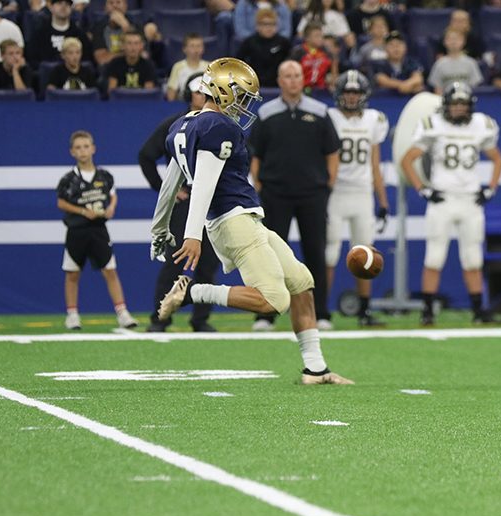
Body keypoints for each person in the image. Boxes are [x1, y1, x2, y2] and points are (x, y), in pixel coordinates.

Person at [151, 58, 352, 384]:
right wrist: (192, 235)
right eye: (241, 95)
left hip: (243, 218)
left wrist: (159, 227)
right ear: (221, 90)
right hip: (232, 221)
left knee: (301, 281)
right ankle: (193, 294)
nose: (243, 104)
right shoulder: (219, 127)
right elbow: (201, 183)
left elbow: (171, 182)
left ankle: (315, 368)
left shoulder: (183, 125)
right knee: (274, 300)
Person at [400, 82, 501, 326]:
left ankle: (479, 311)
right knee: (434, 257)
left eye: (462, 104)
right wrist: (423, 189)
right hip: (443, 199)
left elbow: (497, 158)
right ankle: (427, 311)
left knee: (473, 258)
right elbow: (408, 160)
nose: (458, 109)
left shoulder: (481, 125)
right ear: (446, 105)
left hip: (470, 200)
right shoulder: (434, 125)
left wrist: (491, 188)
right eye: (454, 104)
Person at [248, 60, 341, 330]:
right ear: (279, 80)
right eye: (287, 76)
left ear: (304, 79)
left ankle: (320, 313)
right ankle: (265, 315)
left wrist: (328, 185)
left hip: (313, 194)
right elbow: (256, 155)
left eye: (297, 76)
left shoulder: (321, 112)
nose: (292, 80)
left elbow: (332, 152)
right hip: (275, 194)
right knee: (271, 256)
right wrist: (259, 186)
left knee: (316, 253)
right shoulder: (266, 114)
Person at [140, 76, 219, 332]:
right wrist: (169, 190)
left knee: (208, 260)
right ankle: (160, 317)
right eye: (199, 93)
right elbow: (146, 155)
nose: (203, 98)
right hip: (185, 202)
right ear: (189, 96)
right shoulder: (175, 125)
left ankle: (201, 318)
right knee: (175, 259)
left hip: (211, 200)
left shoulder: (219, 124)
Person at [325, 71, 389, 327]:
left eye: (356, 93)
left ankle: (365, 311)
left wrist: (382, 200)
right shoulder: (330, 118)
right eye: (348, 92)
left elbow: (375, 165)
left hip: (362, 193)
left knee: (366, 254)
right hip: (336, 193)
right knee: (328, 253)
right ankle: (321, 310)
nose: (351, 97)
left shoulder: (374, 120)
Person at [58, 130, 138, 331]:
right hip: (76, 231)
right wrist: (83, 211)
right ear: (72, 152)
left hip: (99, 230)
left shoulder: (105, 176)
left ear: (93, 148)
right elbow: (61, 202)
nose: (83, 151)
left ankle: (122, 313)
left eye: (86, 146)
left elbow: (112, 195)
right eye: (78, 148)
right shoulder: (68, 179)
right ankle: (72, 314)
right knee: (73, 273)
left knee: (110, 270)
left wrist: (111, 208)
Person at [26, 0, 90, 68]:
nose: (63, 7)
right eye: (59, 3)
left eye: (67, 4)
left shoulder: (79, 34)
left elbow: (87, 58)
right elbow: (32, 59)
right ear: (51, 7)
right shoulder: (40, 34)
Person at [235, 8, 290, 88]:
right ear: (257, 26)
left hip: (278, 86)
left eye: (272, 24)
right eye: (265, 24)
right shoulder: (249, 42)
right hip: (254, 86)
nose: (269, 27)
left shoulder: (284, 43)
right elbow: (239, 63)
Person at [427, 27, 482, 94]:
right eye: (450, 39)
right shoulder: (439, 63)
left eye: (457, 39)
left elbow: (475, 86)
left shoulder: (471, 62)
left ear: (463, 41)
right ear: (444, 41)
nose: (454, 42)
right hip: (446, 102)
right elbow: (437, 88)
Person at [370, 30, 423, 95]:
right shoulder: (378, 64)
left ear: (405, 47)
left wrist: (407, 84)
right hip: (386, 100)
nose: (396, 48)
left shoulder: (412, 62)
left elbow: (418, 78)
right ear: (385, 48)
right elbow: (382, 80)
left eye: (399, 44)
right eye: (391, 45)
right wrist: (404, 86)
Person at [290, 21, 336, 90]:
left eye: (321, 36)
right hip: (301, 90)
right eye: (317, 36)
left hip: (322, 91)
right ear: (307, 38)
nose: (320, 39)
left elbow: (333, 72)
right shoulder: (298, 52)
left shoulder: (326, 53)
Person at [166, 33, 208, 102]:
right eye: (192, 46)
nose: (196, 49)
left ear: (203, 49)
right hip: (183, 103)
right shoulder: (178, 67)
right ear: (184, 49)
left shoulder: (209, 67)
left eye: (198, 46)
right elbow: (171, 96)